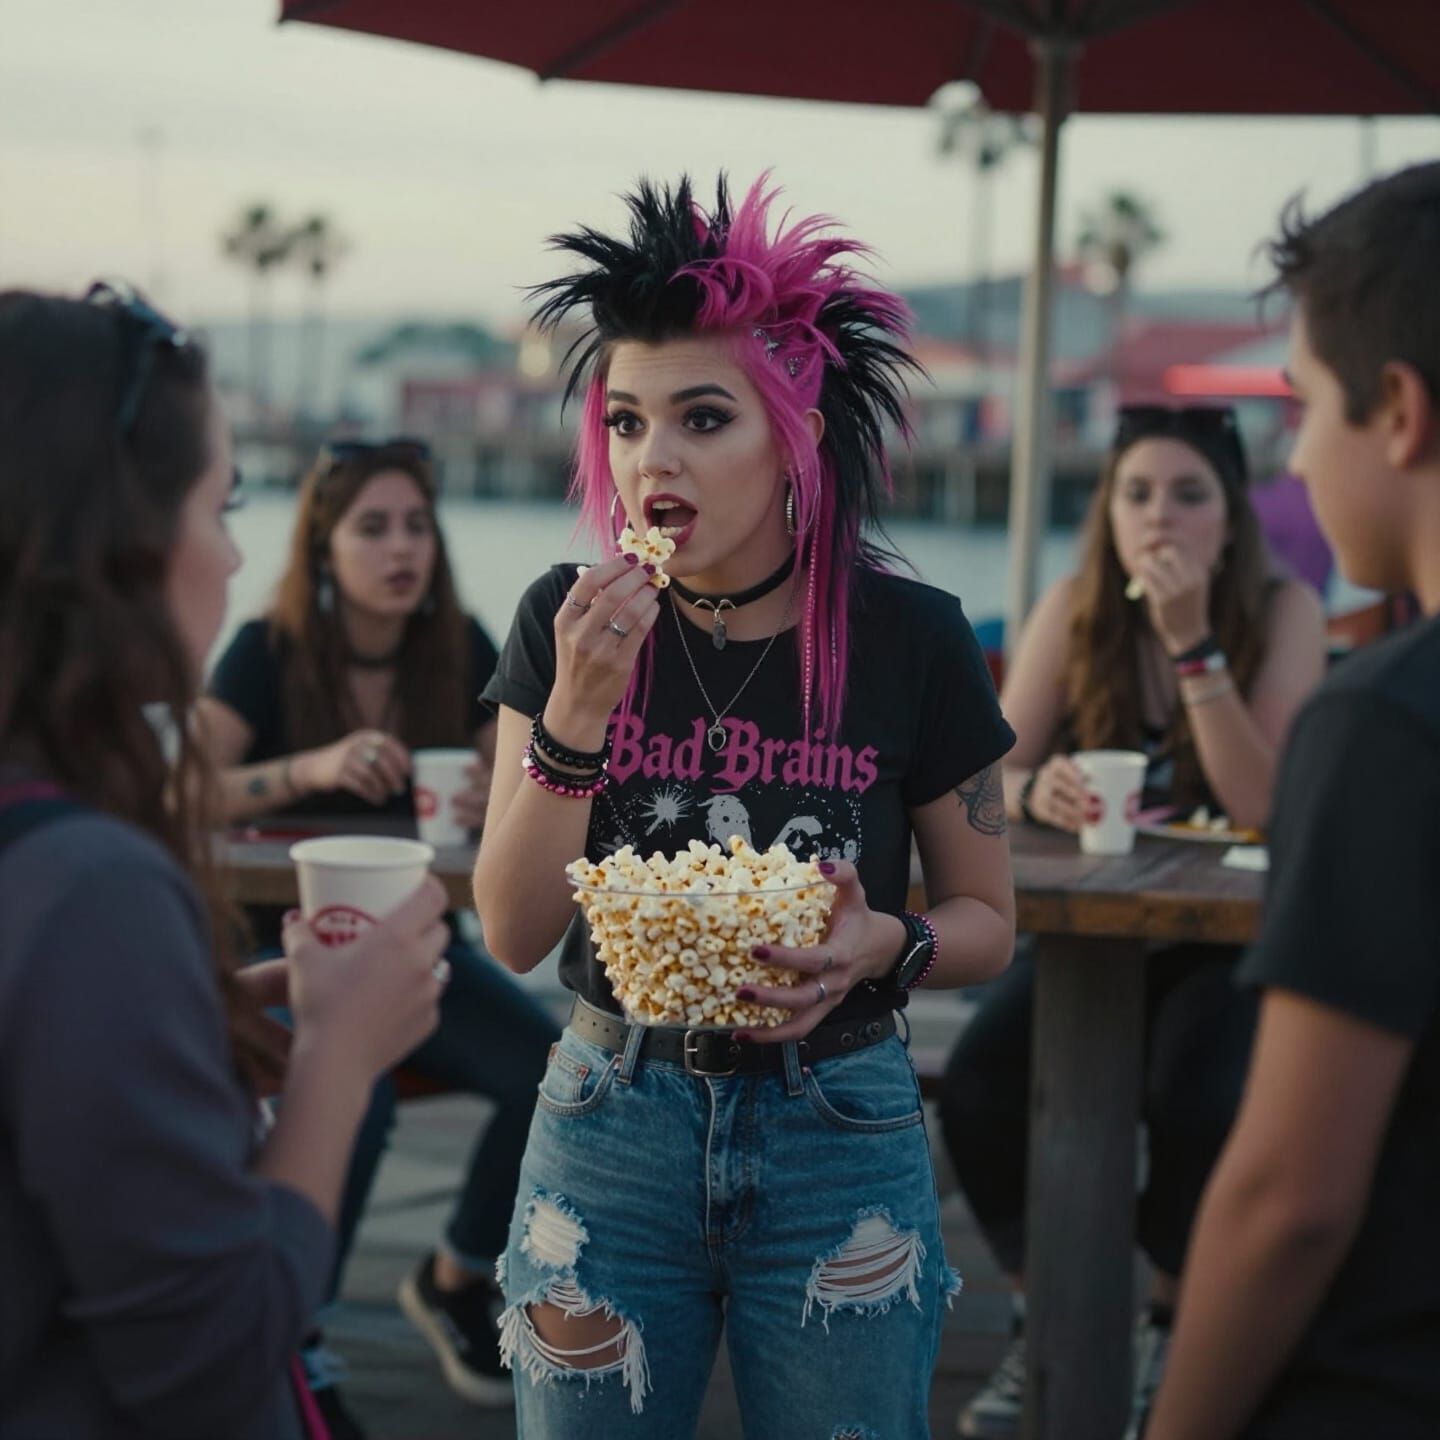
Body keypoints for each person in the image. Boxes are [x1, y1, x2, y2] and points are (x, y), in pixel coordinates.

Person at [472, 175, 1017, 1438]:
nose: (650, 459)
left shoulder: (915, 637)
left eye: (702, 419)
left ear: (796, 434)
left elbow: (989, 915)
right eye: (622, 422)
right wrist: (576, 719)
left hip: (842, 1122)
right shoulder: (567, 622)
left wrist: (887, 942)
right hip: (610, 1118)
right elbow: (506, 930)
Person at [0, 283, 449, 1439]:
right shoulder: (92, 890)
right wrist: (339, 1062)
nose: (234, 551)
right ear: (123, 547)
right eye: (221, 504)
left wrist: (190, 1027)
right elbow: (216, 1359)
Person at [940, 403, 1327, 1439]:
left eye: (1190, 495)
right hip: (1092, 939)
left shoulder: (1285, 613)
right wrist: (1039, 791)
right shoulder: (1075, 608)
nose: (1161, 517)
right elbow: (995, 767)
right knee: (980, 1081)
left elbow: (1267, 804)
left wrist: (1195, 647)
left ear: (1233, 518)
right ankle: (1039, 1312)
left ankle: (1166, 1315)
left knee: (1197, 1096)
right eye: (1137, 493)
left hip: (1222, 940)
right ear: (1105, 510)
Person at [1147, 163, 1440, 1440]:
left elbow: (1289, 1200)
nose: (1299, 454)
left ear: (1400, 412)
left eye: (1308, 406)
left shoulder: (1385, 719)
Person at [197, 439, 559, 1429]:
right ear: (324, 546)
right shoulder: (265, 651)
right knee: (352, 1097)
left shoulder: (466, 645)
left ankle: (453, 1274)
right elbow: (186, 788)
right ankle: (294, 1336)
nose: (403, 549)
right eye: (372, 528)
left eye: (416, 527)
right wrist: (306, 771)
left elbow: (524, 798)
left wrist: (504, 792)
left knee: (557, 1068)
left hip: (412, 946)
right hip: (277, 954)